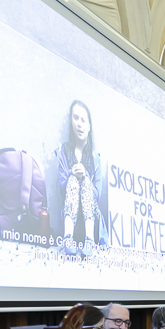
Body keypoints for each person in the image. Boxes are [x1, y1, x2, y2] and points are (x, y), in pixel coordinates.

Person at [57, 100, 106, 257]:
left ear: (89, 127)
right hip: (70, 219)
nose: (79, 124)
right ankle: (68, 239)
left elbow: (97, 196)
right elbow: (61, 187)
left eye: (83, 120)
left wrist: (86, 177)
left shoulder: (95, 159)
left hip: (91, 221)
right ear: (71, 121)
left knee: (85, 181)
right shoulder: (63, 151)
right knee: (72, 180)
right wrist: (71, 172)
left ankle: (90, 240)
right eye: (76, 118)